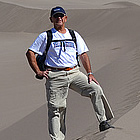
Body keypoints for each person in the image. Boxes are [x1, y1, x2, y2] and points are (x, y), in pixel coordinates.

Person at [26, 6, 114, 140]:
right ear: (51, 19)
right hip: (55, 76)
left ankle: (103, 121)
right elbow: (30, 52)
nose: (59, 18)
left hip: (74, 72)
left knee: (96, 89)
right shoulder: (46, 36)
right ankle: (57, 138)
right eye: (56, 16)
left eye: (61, 16)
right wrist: (38, 71)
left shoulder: (73, 34)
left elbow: (83, 54)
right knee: (56, 108)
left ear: (65, 18)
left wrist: (89, 73)